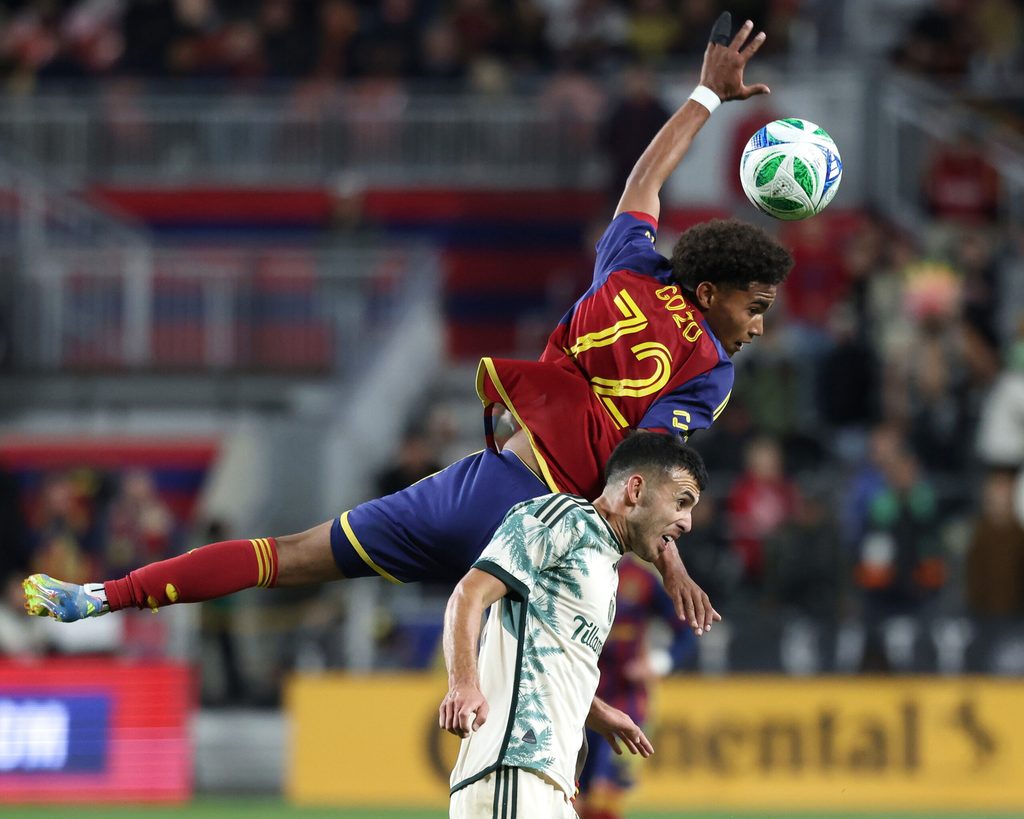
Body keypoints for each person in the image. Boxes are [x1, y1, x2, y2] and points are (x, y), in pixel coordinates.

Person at [26, 15, 781, 662]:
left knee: (285, 556)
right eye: (754, 307)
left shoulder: (630, 267)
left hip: (474, 486)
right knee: (553, 718)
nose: (757, 327)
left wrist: (705, 94)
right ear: (710, 293)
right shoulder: (708, 369)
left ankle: (103, 593)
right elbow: (639, 475)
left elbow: (642, 182)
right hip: (545, 527)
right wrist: (670, 560)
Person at [439, 433, 708, 819]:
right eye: (681, 502)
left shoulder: (605, 562)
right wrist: (463, 683)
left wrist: (593, 708)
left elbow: (546, 650)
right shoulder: (562, 519)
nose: (687, 522)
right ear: (635, 489)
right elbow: (469, 594)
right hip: (513, 769)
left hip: (554, 783)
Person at [576, 556, 689, 819]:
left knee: (607, 791)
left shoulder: (641, 578)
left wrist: (659, 663)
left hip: (627, 702)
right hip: (581, 698)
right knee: (576, 797)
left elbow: (684, 631)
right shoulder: (578, 568)